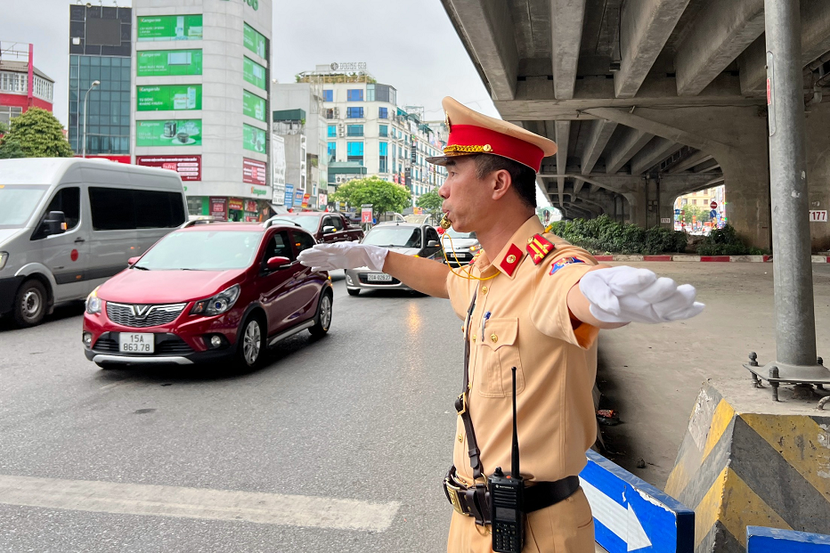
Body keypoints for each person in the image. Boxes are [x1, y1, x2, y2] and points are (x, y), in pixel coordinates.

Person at [298, 97, 703, 553]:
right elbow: (449, 282)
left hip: (535, 532)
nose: (443, 189)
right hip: (472, 524)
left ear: (498, 183)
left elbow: (570, 290)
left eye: (453, 172)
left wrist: (599, 296)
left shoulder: (551, 266)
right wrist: (376, 257)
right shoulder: (486, 270)